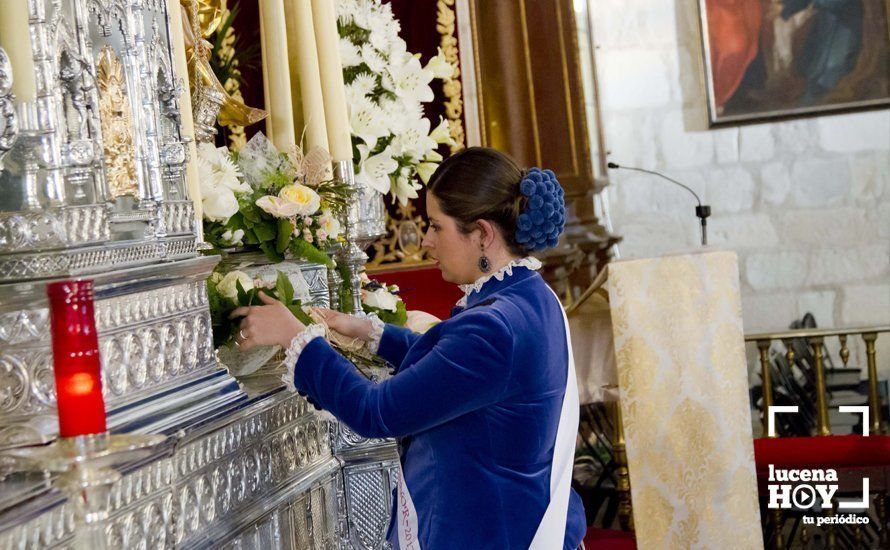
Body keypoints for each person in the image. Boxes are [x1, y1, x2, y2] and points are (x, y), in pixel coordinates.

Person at [233, 147, 587, 549]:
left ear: (483, 234)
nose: (427, 241)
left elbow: (377, 411)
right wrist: (374, 333)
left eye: (437, 226)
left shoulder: (493, 327)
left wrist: (296, 338)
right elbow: (460, 373)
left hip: (489, 531)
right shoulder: (527, 295)